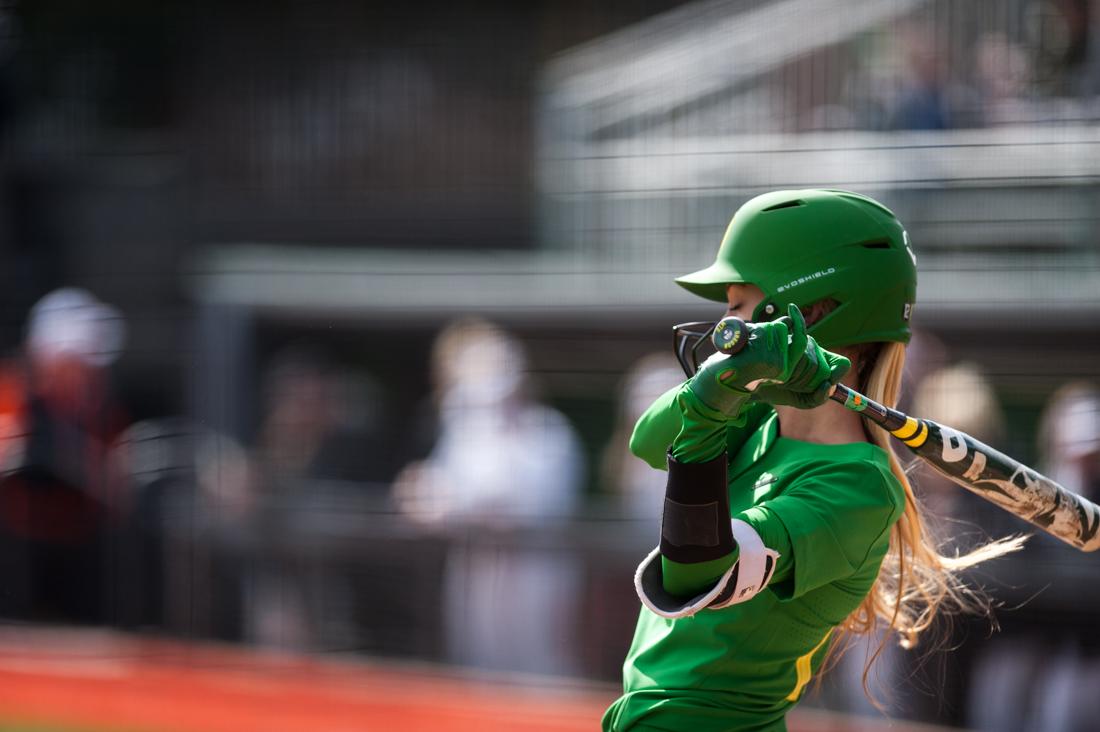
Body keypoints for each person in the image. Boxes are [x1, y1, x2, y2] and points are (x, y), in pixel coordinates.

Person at [602, 189, 1025, 732]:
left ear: (813, 312)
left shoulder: (858, 484)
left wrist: (712, 409)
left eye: (736, 305)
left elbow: (695, 573)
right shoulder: (756, 419)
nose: (723, 327)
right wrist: (726, 392)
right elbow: (647, 441)